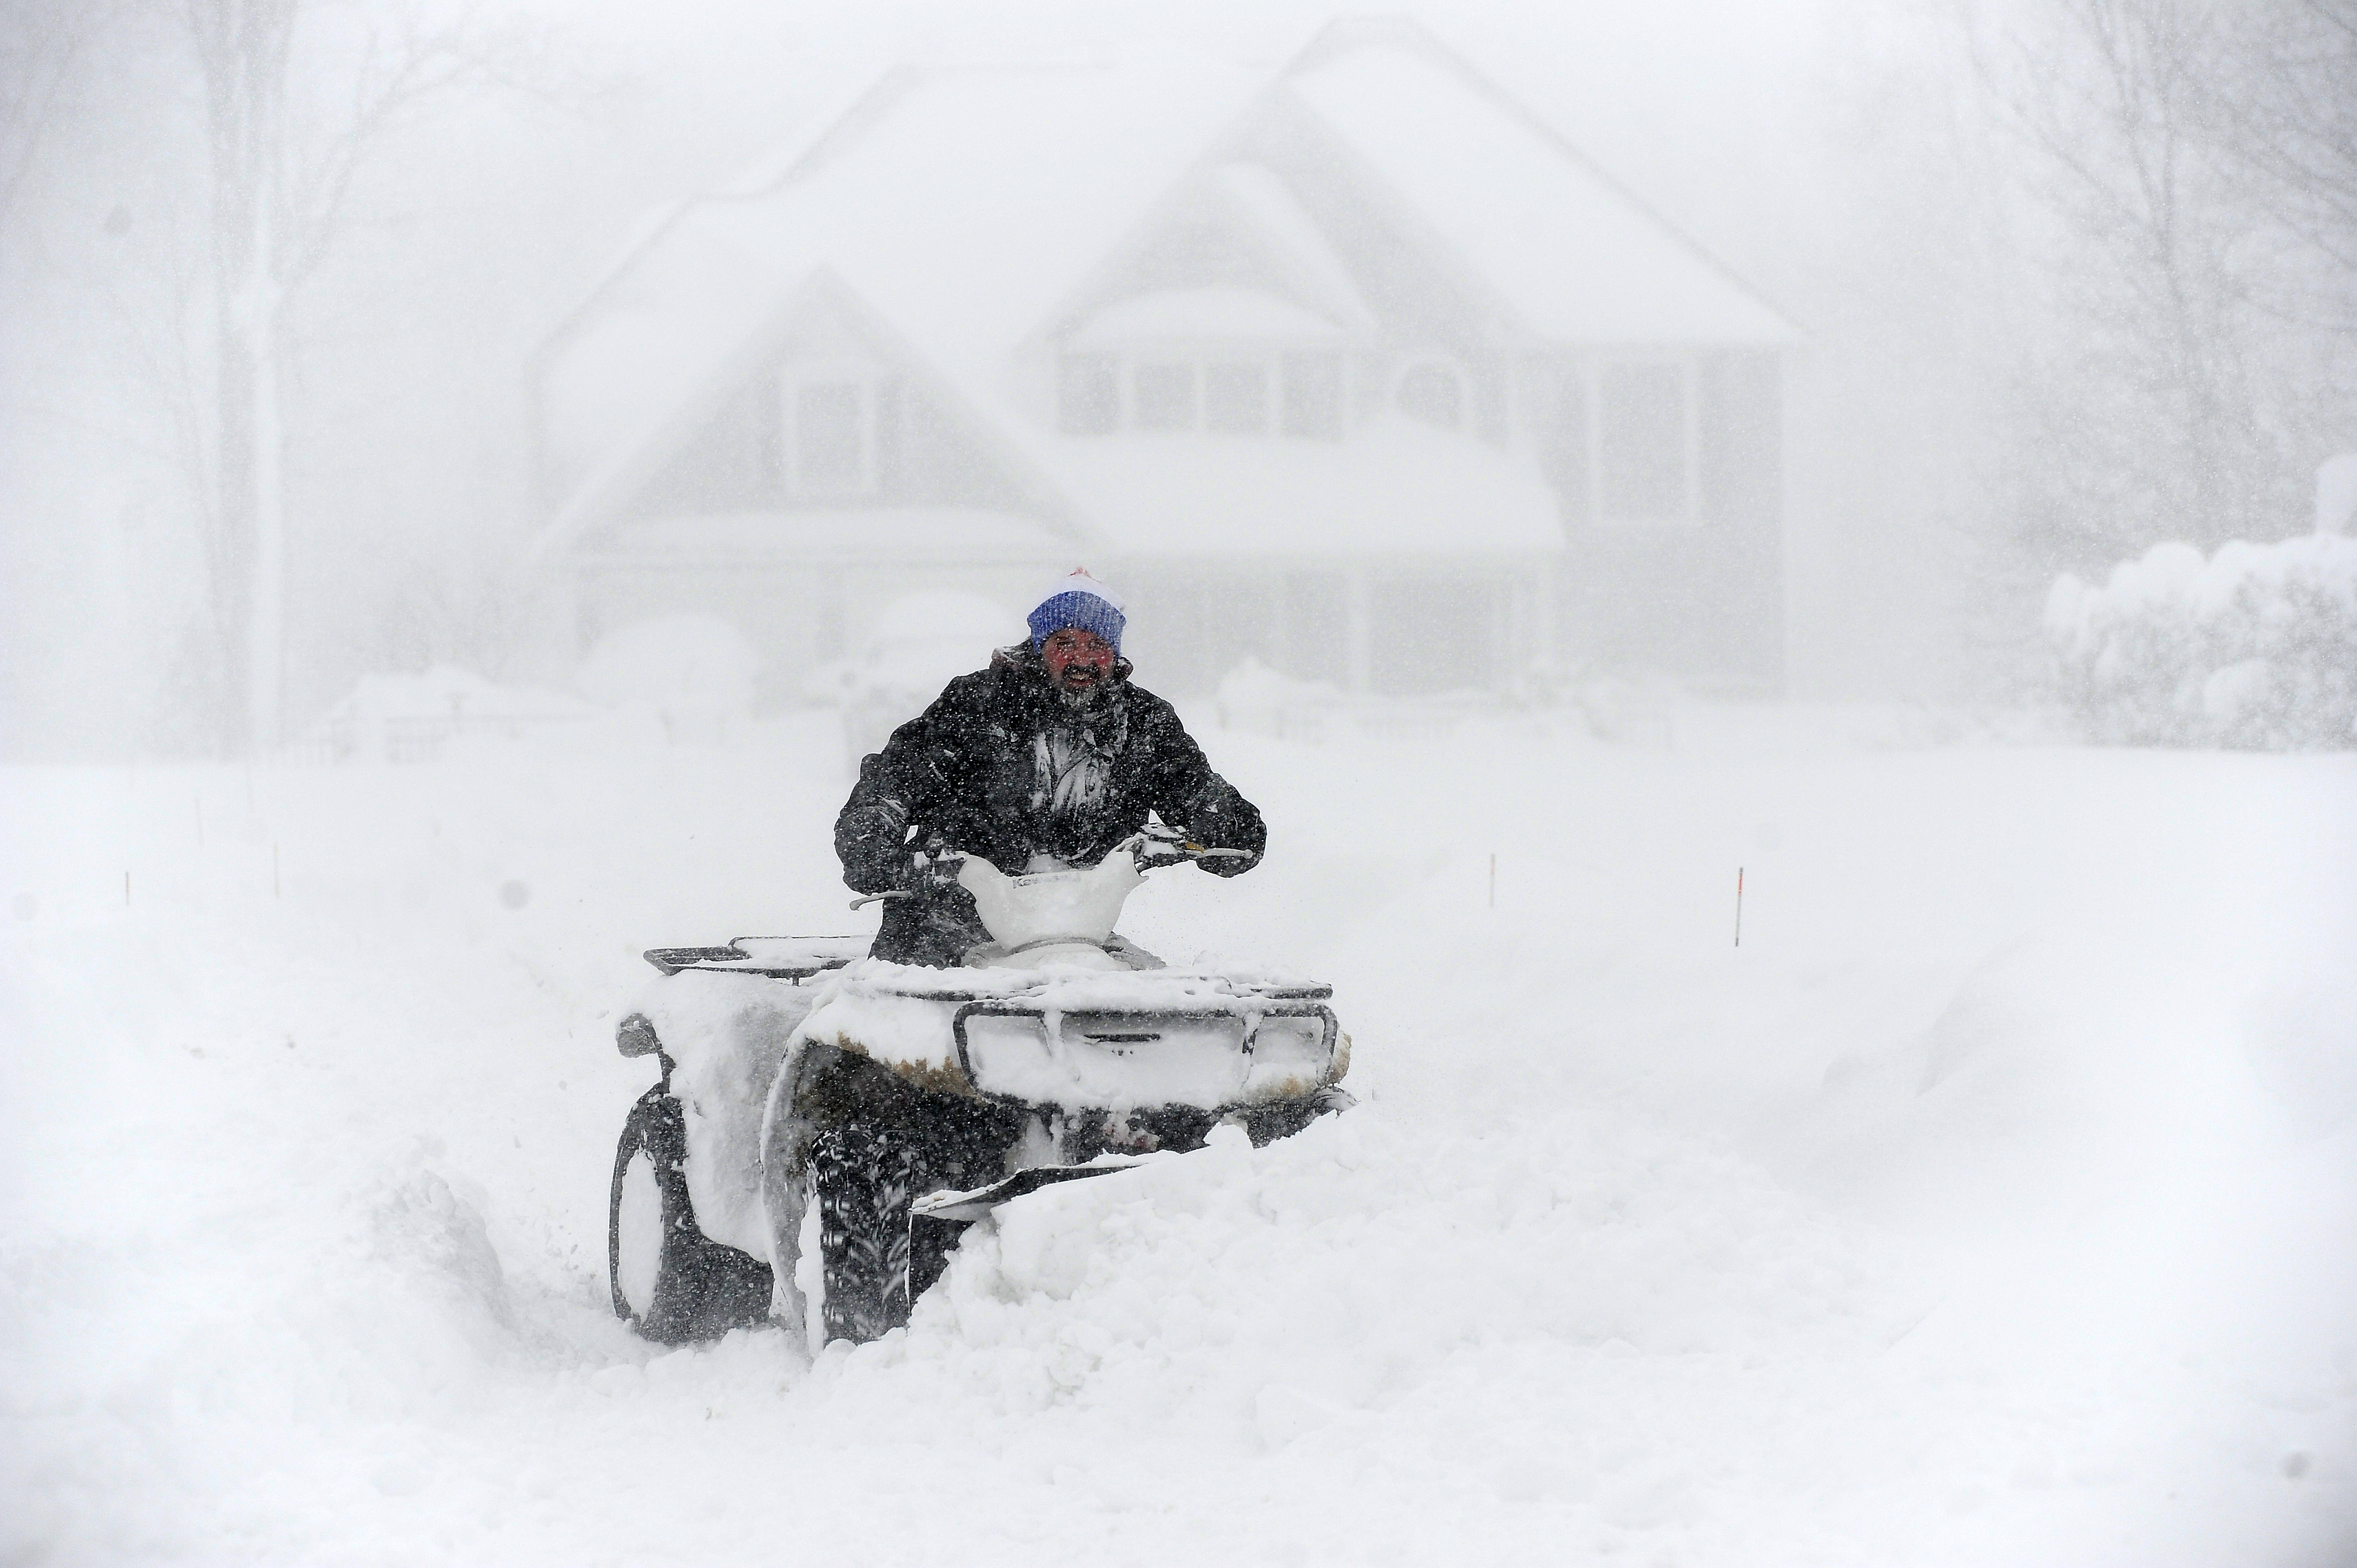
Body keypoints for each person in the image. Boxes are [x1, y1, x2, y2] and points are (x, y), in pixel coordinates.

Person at [836, 569, 1265, 966]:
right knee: (905, 1019)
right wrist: (874, 842)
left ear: (1115, 654)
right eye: (1065, 644)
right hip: (941, 930)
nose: (1082, 660)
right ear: (1039, 647)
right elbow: (893, 783)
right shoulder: (976, 706)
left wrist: (1223, 824)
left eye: (1097, 646)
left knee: (1148, 1008)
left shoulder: (1143, 722)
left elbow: (1195, 789)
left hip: (1075, 931)